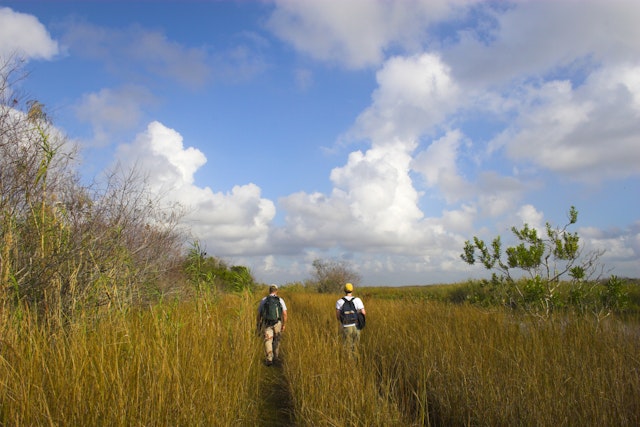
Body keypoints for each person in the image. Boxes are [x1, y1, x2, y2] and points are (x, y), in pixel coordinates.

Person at [257, 284, 287, 366]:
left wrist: (259, 324)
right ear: (276, 291)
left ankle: (269, 359)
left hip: (266, 323)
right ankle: (276, 358)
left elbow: (259, 314)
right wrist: (284, 324)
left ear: (269, 290)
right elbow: (284, 314)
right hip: (277, 323)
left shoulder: (264, 300)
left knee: (268, 340)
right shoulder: (280, 300)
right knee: (277, 340)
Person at [335, 282, 366, 351]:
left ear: (344, 290)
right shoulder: (357, 300)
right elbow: (363, 313)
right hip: (356, 326)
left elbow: (338, 316)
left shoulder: (339, 302)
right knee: (356, 347)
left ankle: (349, 361)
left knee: (347, 347)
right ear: (352, 290)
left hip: (346, 326)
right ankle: (355, 360)